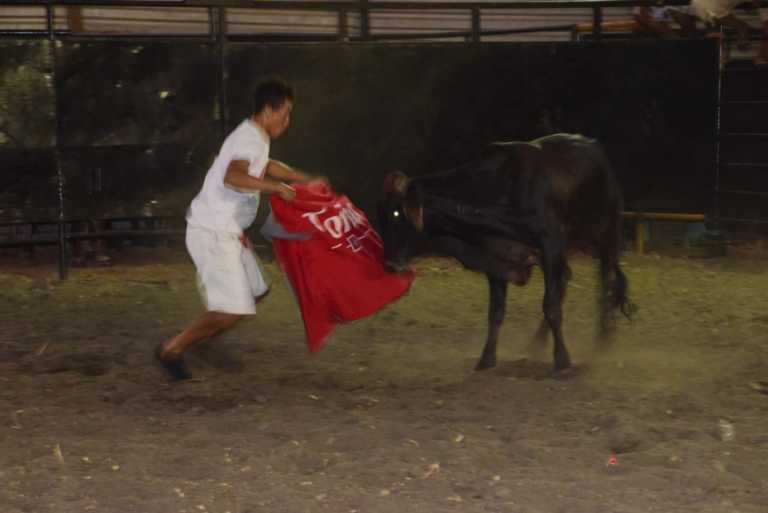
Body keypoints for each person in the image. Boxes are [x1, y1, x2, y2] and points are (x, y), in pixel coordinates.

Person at [155, 76, 314, 380]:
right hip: (213, 231)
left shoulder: (255, 137)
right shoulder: (250, 139)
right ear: (268, 110)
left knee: (257, 292)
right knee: (231, 310)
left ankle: (202, 340)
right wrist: (277, 189)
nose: (288, 120)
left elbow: (265, 166)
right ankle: (171, 349)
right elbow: (234, 176)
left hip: (226, 229)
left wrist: (301, 178)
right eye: (286, 112)